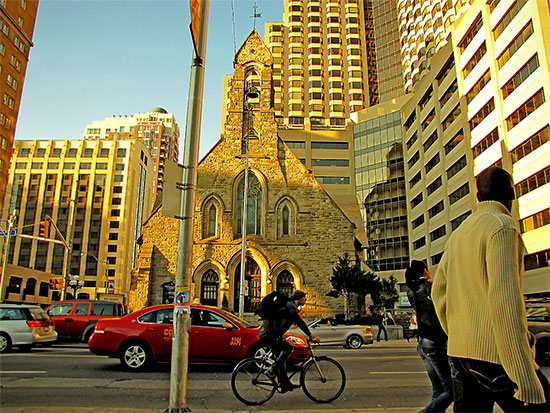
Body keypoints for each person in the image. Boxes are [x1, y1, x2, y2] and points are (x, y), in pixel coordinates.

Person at [432, 167, 548, 411]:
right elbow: (505, 303)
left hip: (460, 353)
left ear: (477, 196)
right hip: (495, 356)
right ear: (511, 195)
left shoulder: (459, 234)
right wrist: (524, 375)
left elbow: (438, 293)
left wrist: (457, 333)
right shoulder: (502, 226)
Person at [406, 260, 453, 412]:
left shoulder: (411, 290)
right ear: (426, 271)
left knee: (438, 390)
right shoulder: (430, 288)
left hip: (423, 342)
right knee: (451, 390)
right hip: (435, 342)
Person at [258, 290, 321, 393]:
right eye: (304, 297)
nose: (306, 299)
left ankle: (285, 384)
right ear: (300, 298)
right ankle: (271, 370)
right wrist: (311, 336)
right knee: (288, 348)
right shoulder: (291, 307)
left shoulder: (289, 305)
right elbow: (300, 322)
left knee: (281, 360)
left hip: (270, 334)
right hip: (269, 335)